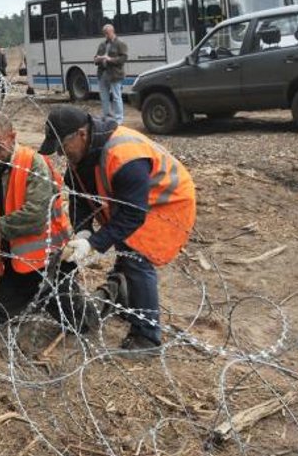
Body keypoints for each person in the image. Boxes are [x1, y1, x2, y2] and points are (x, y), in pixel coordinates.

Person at [39, 105, 196, 357]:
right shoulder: (82, 155)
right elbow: (80, 197)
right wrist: (83, 232)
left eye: (62, 145)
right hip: (137, 203)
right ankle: (124, 295)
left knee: (137, 258)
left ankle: (147, 337)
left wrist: (94, 244)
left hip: (166, 203)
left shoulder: (124, 156)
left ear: (81, 134)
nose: (61, 153)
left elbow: (133, 214)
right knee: (126, 251)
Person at [0, 113, 96, 330]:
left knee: (81, 324)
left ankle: (112, 294)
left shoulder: (33, 163)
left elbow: (36, 217)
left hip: (49, 257)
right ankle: (36, 298)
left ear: (12, 136)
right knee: (1, 317)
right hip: (19, 259)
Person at [94, 24, 127, 122]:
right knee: (104, 97)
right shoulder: (102, 45)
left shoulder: (120, 43)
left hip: (114, 74)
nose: (106, 35)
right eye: (104, 33)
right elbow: (95, 58)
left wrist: (110, 59)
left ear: (112, 31)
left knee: (116, 97)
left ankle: (119, 119)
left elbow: (123, 58)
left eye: (107, 33)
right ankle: (106, 116)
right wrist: (98, 59)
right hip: (102, 74)